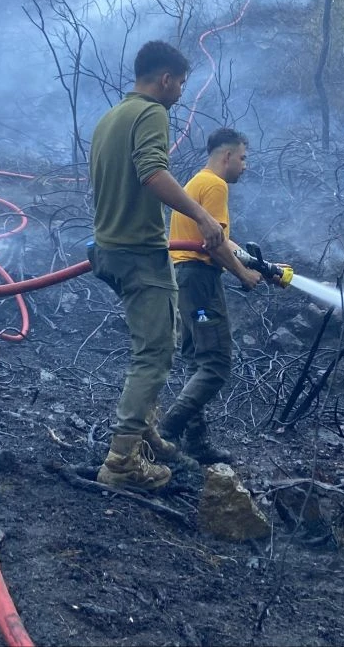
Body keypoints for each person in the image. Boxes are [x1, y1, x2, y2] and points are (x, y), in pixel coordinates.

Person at [89, 41, 224, 491]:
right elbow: (151, 172)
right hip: (139, 253)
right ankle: (121, 461)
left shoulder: (111, 117)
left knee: (154, 338)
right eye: (181, 83)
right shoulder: (151, 113)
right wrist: (201, 216)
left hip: (109, 249)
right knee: (155, 353)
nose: (182, 93)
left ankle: (144, 429)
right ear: (165, 79)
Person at [160, 129, 262, 463]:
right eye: (242, 158)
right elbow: (213, 245)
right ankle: (165, 433)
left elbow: (220, 239)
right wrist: (243, 274)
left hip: (184, 280)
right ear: (227, 156)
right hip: (201, 281)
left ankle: (196, 441)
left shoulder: (196, 183)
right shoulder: (216, 185)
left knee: (196, 359)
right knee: (216, 363)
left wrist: (260, 266)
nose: (244, 166)